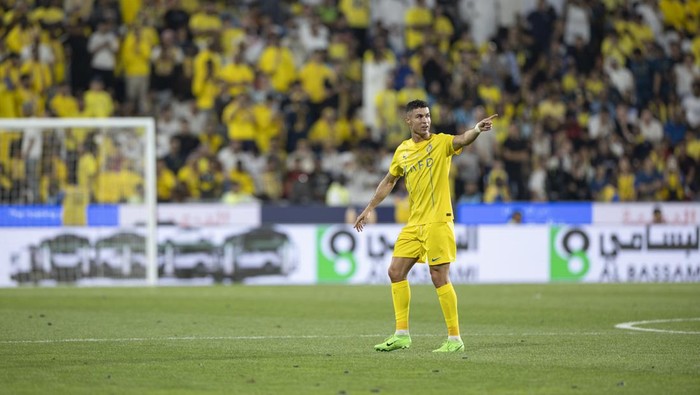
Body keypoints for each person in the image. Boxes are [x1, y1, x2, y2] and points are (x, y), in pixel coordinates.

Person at [353, 100, 496, 352]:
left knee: (438, 276)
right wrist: (368, 209)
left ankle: (455, 339)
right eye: (419, 116)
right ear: (408, 120)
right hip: (414, 223)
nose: (425, 120)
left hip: (439, 220)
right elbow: (389, 181)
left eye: (427, 115)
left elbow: (462, 140)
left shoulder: (441, 143)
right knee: (395, 272)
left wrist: (476, 129)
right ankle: (401, 334)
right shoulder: (403, 151)